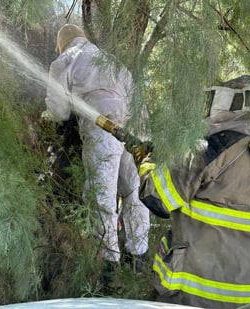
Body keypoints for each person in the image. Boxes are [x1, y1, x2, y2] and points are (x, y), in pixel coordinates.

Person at [137, 75, 250, 308]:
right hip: (249, 301)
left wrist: (147, 162)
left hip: (192, 298)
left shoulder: (204, 152)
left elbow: (156, 198)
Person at [43, 24, 150, 287]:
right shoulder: (111, 61)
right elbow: (137, 102)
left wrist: (49, 120)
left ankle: (108, 270)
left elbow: (58, 111)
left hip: (102, 127)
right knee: (134, 192)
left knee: (100, 198)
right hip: (131, 130)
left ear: (62, 43)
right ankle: (139, 259)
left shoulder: (64, 60)